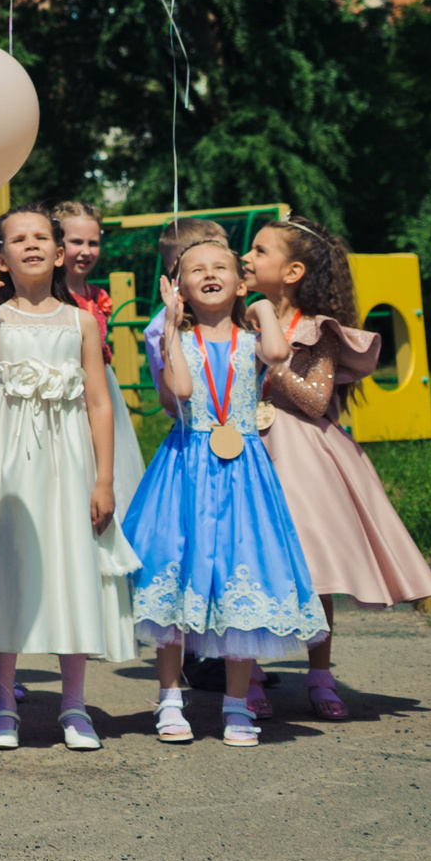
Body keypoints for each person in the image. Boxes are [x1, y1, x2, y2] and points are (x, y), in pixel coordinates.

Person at [0, 206, 139, 753]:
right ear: (0, 259)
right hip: (7, 463)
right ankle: (4, 704)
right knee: (8, 569)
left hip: (67, 462)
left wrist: (104, 480)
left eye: (41, 237)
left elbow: (98, 402)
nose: (31, 245)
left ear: (58, 252)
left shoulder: (82, 321)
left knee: (69, 567)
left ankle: (74, 704)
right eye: (16, 239)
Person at [125, 232, 329, 747]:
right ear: (180, 286)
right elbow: (182, 391)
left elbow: (279, 353)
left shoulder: (254, 335)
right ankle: (170, 698)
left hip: (243, 475)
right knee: (175, 574)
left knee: (244, 576)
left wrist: (262, 307)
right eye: (196, 270)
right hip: (187, 466)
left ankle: (237, 705)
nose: (210, 274)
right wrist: (171, 326)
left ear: (240, 283)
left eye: (222, 267)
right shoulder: (180, 337)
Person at [246, 215, 431, 720]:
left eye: (260, 251)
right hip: (243, 450)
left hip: (301, 454)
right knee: (247, 560)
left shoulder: (316, 330)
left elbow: (314, 400)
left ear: (291, 272)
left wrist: (272, 357)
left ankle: (320, 673)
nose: (247, 257)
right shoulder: (233, 319)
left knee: (317, 567)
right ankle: (244, 675)